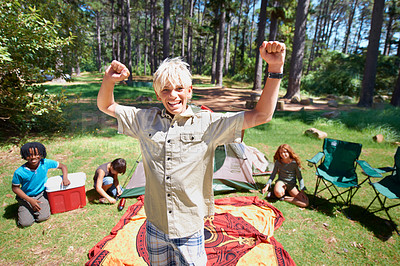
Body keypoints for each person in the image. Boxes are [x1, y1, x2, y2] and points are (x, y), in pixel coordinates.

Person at [97, 40, 285, 265]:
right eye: (165, 89)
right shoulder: (144, 120)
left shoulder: (207, 123)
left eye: (178, 89)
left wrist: (275, 70)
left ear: (189, 91)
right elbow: (106, 106)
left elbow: (261, 115)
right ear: (158, 94)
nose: (172, 95)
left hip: (189, 229)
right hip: (154, 226)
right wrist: (109, 80)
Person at [11, 142, 70, 227]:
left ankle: (35, 208)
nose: (34, 157)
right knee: (25, 223)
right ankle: (24, 208)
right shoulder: (20, 172)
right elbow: (15, 188)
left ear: (42, 154)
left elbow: (63, 166)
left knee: (43, 217)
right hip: (26, 197)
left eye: (37, 154)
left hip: (41, 194)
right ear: (24, 155)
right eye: (29, 155)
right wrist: (30, 200)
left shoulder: (44, 163)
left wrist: (65, 178)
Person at [261, 144, 309, 208]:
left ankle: (284, 198)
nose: (283, 154)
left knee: (305, 203)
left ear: (289, 152)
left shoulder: (294, 163)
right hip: (281, 182)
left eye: (285, 152)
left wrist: (302, 190)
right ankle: (278, 194)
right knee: (278, 192)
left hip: (291, 185)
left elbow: (300, 177)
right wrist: (267, 186)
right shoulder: (278, 162)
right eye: (281, 153)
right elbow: (273, 175)